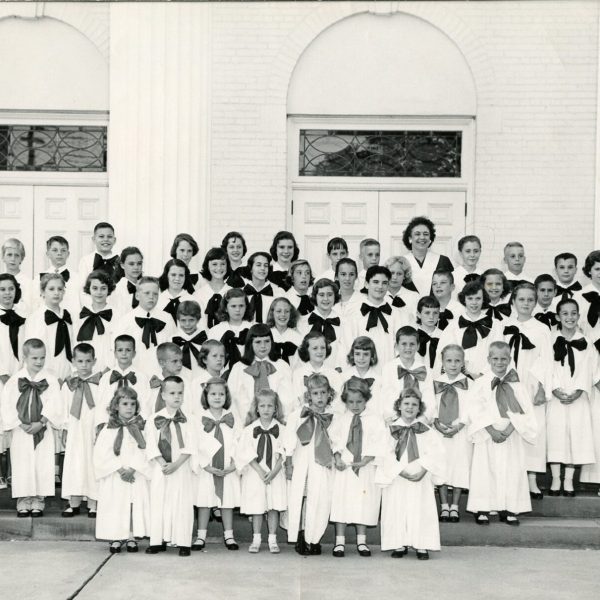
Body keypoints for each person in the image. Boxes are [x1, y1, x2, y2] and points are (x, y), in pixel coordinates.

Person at [467, 342, 537, 525]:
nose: (499, 362)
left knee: (511, 470)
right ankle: (482, 508)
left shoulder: (517, 385)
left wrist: (508, 430)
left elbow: (525, 411)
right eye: (495, 358)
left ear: (510, 359)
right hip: (487, 435)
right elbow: (475, 410)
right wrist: (491, 431)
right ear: (488, 359)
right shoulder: (481, 383)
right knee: (485, 470)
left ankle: (509, 507)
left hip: (510, 435)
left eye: (503, 359)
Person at [377, 387, 445, 560]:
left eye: (414, 404)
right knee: (396, 508)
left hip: (419, 476)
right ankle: (398, 543)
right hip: (398, 476)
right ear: (399, 405)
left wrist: (423, 469)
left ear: (419, 408)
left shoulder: (427, 430)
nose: (410, 407)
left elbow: (436, 453)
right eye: (406, 403)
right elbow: (385, 453)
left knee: (421, 509)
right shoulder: (390, 430)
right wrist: (399, 471)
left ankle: (422, 545)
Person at [1, 338, 63, 517]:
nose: (39, 362)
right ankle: (23, 500)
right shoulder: (15, 381)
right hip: (21, 429)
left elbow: (55, 403)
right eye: (34, 358)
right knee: (22, 463)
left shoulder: (50, 379)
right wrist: (20, 423)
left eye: (42, 358)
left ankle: (38, 500)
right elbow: (7, 405)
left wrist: (42, 422)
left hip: (42, 429)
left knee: (41, 464)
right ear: (25, 357)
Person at [501, 282, 552, 498]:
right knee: (509, 427)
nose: (526, 303)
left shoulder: (541, 329)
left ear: (535, 302)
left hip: (531, 385)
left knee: (532, 430)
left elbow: (546, 360)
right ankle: (511, 478)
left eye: (530, 300)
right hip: (508, 383)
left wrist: (541, 388)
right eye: (521, 299)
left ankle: (531, 479)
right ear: (513, 301)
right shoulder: (503, 326)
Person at [330, 377, 385, 558]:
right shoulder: (341, 419)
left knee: (363, 503)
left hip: (365, 467)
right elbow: (334, 440)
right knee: (342, 502)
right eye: (351, 402)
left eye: (359, 402)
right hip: (345, 467)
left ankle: (362, 541)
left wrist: (367, 459)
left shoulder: (375, 419)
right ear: (345, 401)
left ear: (366, 400)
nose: (355, 405)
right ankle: (340, 542)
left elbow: (379, 442)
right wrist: (337, 457)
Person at [547, 299, 597, 496]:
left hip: (578, 397)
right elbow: (544, 367)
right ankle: (555, 479)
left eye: (573, 313)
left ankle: (568, 480)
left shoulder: (587, 343)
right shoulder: (549, 340)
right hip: (556, 396)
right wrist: (553, 389)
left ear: (578, 316)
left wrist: (578, 390)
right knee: (556, 436)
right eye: (565, 313)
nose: (570, 317)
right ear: (558, 317)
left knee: (574, 436)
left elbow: (592, 371)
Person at [94, 386, 151, 554]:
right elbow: (100, 453)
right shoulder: (108, 428)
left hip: (135, 474)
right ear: (116, 406)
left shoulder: (140, 428)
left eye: (133, 404)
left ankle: (132, 536)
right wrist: (119, 470)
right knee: (115, 506)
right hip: (115, 475)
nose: (129, 408)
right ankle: (116, 537)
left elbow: (145, 450)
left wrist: (133, 469)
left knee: (133, 505)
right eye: (125, 403)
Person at [284, 373, 335, 556]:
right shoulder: (297, 415)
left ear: (329, 394)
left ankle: (314, 538)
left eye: (323, 393)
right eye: (315, 393)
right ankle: (300, 535)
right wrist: (289, 464)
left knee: (320, 500)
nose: (319, 397)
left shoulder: (333, 416)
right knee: (300, 498)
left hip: (321, 464)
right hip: (301, 462)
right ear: (309, 395)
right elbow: (289, 441)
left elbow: (335, 441)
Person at [145, 375, 195, 556]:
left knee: (181, 502)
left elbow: (191, 445)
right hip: (161, 468)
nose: (177, 397)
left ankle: (183, 541)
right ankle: (158, 540)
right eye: (172, 393)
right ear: (163, 395)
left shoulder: (189, 419)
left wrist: (177, 464)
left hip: (181, 468)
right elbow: (150, 444)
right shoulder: (154, 419)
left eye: (180, 393)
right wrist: (162, 463)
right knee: (159, 501)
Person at [236, 389, 287, 554]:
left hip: (275, 473)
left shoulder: (282, 429)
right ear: (256, 408)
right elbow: (245, 452)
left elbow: (285, 452)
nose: (266, 409)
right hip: (255, 473)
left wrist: (274, 471)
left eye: (270, 406)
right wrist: (259, 470)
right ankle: (256, 538)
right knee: (257, 506)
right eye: (262, 406)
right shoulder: (249, 429)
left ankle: (272, 539)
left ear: (275, 409)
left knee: (273, 506)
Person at [193, 376, 241, 552]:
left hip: (227, 468)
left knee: (227, 502)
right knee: (204, 502)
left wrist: (234, 464)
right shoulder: (199, 419)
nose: (217, 397)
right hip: (207, 469)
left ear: (226, 396)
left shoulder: (232, 418)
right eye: (213, 393)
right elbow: (195, 444)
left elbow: (239, 441)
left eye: (221, 394)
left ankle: (229, 535)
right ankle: (201, 536)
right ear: (206, 396)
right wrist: (205, 465)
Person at [61, 343, 104, 518]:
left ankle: (93, 503)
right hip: (75, 431)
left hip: (92, 430)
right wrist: (64, 429)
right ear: (73, 361)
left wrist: (101, 428)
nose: (84, 365)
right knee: (75, 464)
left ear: (94, 361)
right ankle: (74, 503)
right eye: (80, 361)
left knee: (92, 464)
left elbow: (103, 407)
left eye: (88, 361)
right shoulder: (69, 384)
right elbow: (63, 407)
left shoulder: (100, 383)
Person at [432, 345, 473, 523]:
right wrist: (436, 423)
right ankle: (444, 506)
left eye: (457, 361)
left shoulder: (469, 384)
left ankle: (455, 506)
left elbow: (473, 407)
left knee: (459, 465)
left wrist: (459, 425)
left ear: (463, 362)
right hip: (439, 431)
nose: (453, 364)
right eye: (449, 360)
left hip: (460, 431)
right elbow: (430, 405)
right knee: (442, 466)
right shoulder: (435, 383)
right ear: (442, 362)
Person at [341, 266, 408, 368]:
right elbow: (347, 346)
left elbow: (401, 347)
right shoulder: (353, 315)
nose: (380, 286)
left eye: (384, 283)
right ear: (367, 284)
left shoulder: (397, 314)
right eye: (376, 282)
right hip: (361, 374)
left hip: (389, 372)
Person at [227, 323, 293, 420]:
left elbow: (289, 400)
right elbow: (232, 399)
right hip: (245, 424)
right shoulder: (238, 368)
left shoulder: (282, 366)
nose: (263, 346)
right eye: (258, 342)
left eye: (267, 341)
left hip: (278, 424)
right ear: (250, 344)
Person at [436, 280, 498, 378]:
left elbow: (498, 353)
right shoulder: (453, 326)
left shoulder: (495, 324)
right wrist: (462, 373)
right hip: (459, 378)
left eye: (478, 298)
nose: (474, 302)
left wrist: (482, 375)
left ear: (483, 299)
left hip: (487, 378)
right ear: (464, 299)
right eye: (470, 298)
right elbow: (443, 353)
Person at [114, 276, 174, 372]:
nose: (151, 297)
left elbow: (172, 349)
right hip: (134, 373)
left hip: (161, 373)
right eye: (147, 293)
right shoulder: (125, 321)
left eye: (155, 294)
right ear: (137, 295)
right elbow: (118, 351)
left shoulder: (167, 318)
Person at [0, 273, 25, 489]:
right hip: (1, 379)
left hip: (18, 380)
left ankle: (13, 473)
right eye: (2, 289)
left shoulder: (22, 318)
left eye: (11, 289)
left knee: (16, 422)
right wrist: (4, 375)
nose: (7, 293)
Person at [24, 273, 73, 382]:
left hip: (68, 378)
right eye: (51, 289)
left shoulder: (68, 317)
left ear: (64, 292)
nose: (56, 293)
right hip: (45, 378)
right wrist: (52, 378)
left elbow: (72, 346)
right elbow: (34, 352)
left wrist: (71, 373)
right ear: (42, 292)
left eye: (60, 289)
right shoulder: (35, 318)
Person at [380, 326, 435, 423]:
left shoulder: (425, 370)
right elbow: (386, 396)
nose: (408, 348)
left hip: (420, 422)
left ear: (418, 346)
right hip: (394, 421)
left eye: (412, 344)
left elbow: (429, 397)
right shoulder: (388, 369)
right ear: (396, 346)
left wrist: (423, 419)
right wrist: (394, 420)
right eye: (404, 344)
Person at [95, 335, 151, 427]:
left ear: (134, 353)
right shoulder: (106, 378)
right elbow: (101, 403)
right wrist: (101, 424)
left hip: (135, 426)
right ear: (115, 353)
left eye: (128, 350)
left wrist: (140, 423)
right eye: (120, 350)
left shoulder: (142, 378)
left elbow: (146, 403)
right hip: (110, 426)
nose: (124, 353)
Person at [75, 270, 116, 372]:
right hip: (84, 369)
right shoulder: (80, 315)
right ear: (88, 289)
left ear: (109, 290)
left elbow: (117, 346)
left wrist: (107, 370)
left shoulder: (116, 315)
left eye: (103, 288)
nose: (99, 292)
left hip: (108, 369)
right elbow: (75, 343)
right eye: (95, 288)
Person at [401, 216, 453, 295]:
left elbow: (451, 290)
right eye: (417, 234)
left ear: (430, 238)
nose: (422, 237)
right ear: (410, 238)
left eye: (426, 234)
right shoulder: (401, 262)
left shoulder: (443, 261)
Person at [292, 331, 342, 413]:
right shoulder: (298, 374)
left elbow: (339, 401)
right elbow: (296, 401)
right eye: (315, 348)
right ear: (306, 350)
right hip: (305, 417)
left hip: (328, 417)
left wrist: (325, 413)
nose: (320, 351)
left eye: (323, 348)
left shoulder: (334, 374)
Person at [299, 278, 342, 369]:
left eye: (330, 295)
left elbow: (347, 350)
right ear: (315, 296)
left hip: (337, 375)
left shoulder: (344, 323)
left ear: (335, 297)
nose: (326, 299)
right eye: (321, 295)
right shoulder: (302, 323)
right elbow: (300, 353)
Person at [35, 235, 80, 317]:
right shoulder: (38, 279)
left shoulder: (78, 278)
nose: (59, 253)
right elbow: (35, 304)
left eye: (63, 250)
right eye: (55, 250)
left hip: (71, 322)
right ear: (47, 254)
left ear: (68, 254)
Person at [209, 288, 254, 369]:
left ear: (246, 307)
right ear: (226, 308)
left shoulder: (252, 329)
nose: (238, 310)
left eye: (241, 306)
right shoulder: (215, 331)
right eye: (233, 306)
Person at [340, 336, 382, 416]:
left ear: (372, 356)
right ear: (352, 355)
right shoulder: (343, 377)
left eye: (366, 354)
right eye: (357, 354)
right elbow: (340, 406)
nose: (361, 358)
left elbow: (379, 407)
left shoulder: (379, 380)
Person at [194, 247, 231, 328]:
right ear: (207, 266)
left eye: (223, 264)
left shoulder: (232, 292)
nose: (219, 268)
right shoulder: (198, 295)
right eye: (214, 264)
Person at [243, 251, 283, 323]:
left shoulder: (279, 292)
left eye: (266, 265)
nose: (263, 268)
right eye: (258, 265)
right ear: (251, 268)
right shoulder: (241, 292)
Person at [171, 301, 208, 379]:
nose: (187, 324)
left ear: (198, 320)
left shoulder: (205, 339)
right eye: (183, 320)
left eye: (191, 320)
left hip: (202, 379)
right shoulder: (172, 340)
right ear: (178, 320)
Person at [1, 238, 33, 315]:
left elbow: (31, 308)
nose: (13, 259)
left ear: (21, 258)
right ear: (3, 257)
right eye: (9, 255)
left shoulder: (29, 283)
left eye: (17, 255)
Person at [156, 259, 194, 325]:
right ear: (166, 276)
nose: (177, 279)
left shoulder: (194, 301)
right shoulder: (157, 301)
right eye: (173, 275)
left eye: (181, 275)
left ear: (186, 277)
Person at [267, 297, 302, 367]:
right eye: (278, 311)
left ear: (291, 314)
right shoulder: (266, 335)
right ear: (272, 313)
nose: (283, 314)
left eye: (286, 311)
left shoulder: (298, 338)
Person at [110, 247, 144, 315]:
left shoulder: (147, 287)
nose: (136, 267)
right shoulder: (115, 291)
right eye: (131, 264)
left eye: (139, 263)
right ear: (122, 265)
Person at [415, 296, 442, 370]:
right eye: (427, 313)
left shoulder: (444, 336)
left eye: (435, 313)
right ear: (418, 314)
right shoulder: (412, 336)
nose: (431, 317)